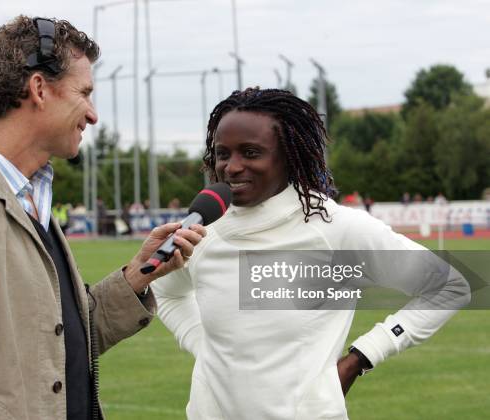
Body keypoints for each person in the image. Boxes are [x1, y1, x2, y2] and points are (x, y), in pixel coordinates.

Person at [0, 16, 205, 420]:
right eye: (84, 93)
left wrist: (137, 275)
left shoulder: (31, 194)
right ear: (39, 89)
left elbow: (53, 344)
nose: (92, 115)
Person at [153, 88, 469, 420]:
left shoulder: (337, 230)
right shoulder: (204, 231)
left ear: (289, 156)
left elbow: (451, 285)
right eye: (222, 153)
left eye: (250, 152)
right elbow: (167, 293)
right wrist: (202, 346)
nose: (231, 167)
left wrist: (361, 358)